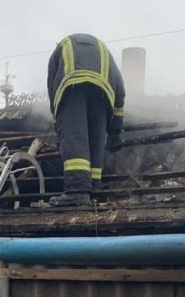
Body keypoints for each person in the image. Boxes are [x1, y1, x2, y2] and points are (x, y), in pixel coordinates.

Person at [47, 33, 126, 206]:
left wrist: (59, 125)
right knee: (95, 141)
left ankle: (78, 191)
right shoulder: (105, 52)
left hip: (71, 88)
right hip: (103, 95)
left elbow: (52, 89)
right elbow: (120, 91)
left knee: (75, 138)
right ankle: (94, 189)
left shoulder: (62, 47)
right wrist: (115, 132)